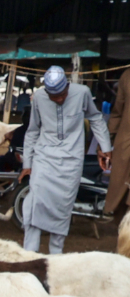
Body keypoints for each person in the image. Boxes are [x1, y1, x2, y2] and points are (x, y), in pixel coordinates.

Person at [20, 66, 111, 254]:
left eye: (62, 94)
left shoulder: (82, 93)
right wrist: (27, 164)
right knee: (33, 204)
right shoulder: (38, 97)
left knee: (62, 211)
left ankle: (56, 257)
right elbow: (33, 130)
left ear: (68, 86)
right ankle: (29, 256)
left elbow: (95, 118)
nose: (60, 99)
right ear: (46, 91)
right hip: (44, 158)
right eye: (54, 96)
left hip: (71, 162)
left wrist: (105, 148)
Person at [103, 67, 130, 217]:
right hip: (125, 149)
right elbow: (117, 114)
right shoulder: (127, 76)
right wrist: (104, 145)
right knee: (120, 206)